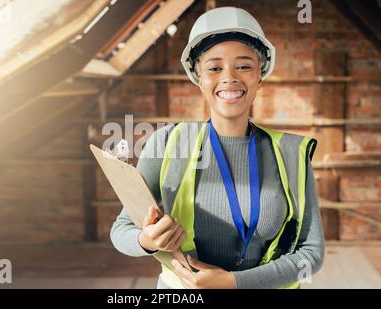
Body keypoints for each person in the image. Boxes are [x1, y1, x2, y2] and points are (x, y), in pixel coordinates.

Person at [110, 6, 324, 289]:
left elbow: (311, 253)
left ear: (260, 76)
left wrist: (234, 282)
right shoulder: (167, 143)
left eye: (244, 66)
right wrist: (146, 240)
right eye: (214, 67)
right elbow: (121, 230)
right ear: (199, 78)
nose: (230, 77)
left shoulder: (290, 153)